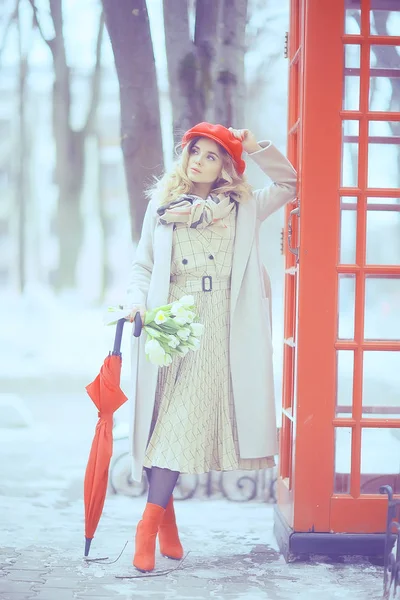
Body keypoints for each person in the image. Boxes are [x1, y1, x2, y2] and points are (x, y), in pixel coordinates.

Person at [125, 122, 297, 572]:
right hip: (173, 319)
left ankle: (150, 523)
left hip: (221, 323)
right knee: (159, 420)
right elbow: (142, 266)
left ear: (226, 166)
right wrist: (134, 305)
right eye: (194, 151)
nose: (198, 160)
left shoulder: (243, 206)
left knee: (175, 422)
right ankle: (162, 522)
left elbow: (289, 183)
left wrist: (257, 147)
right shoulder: (162, 207)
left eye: (212, 155)